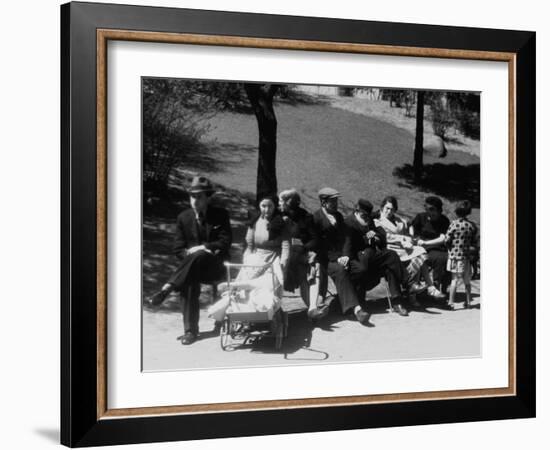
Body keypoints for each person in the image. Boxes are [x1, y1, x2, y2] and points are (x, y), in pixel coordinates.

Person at [147, 176, 232, 345]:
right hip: (192, 268)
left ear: (208, 197)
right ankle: (190, 331)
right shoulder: (183, 218)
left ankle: (168, 287)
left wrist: (202, 248)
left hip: (215, 265)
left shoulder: (221, 215)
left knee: (198, 255)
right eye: (192, 196)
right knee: (189, 280)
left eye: (199, 197)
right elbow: (178, 249)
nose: (195, 201)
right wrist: (192, 255)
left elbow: (225, 242)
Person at [312, 188, 372, 326]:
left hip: (342, 256)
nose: (335, 203)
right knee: (340, 270)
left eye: (336, 200)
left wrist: (345, 255)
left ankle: (341, 301)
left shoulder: (339, 216)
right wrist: (336, 258)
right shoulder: (316, 218)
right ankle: (357, 310)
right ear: (323, 202)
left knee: (361, 269)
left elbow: (346, 238)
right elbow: (318, 244)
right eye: (332, 201)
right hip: (326, 259)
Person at [374, 196, 446, 306]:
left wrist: (409, 239)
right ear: (382, 207)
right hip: (390, 251)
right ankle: (424, 290)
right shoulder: (377, 221)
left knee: (419, 255)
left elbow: (409, 230)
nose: (389, 211)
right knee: (418, 254)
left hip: (403, 249)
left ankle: (421, 291)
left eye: (392, 209)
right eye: (387, 208)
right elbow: (386, 237)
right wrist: (403, 239)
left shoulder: (399, 220)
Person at [343, 199, 409, 316]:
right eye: (364, 215)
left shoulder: (369, 220)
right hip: (358, 256)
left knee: (391, 256)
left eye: (368, 215)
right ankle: (358, 305)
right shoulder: (349, 222)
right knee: (366, 267)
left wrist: (376, 237)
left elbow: (381, 235)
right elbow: (348, 244)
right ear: (357, 211)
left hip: (372, 254)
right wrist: (364, 239)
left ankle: (400, 297)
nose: (366, 218)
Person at [278, 189, 326, 320]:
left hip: (301, 253)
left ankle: (312, 309)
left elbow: (315, 239)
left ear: (289, 203)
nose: (279, 204)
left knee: (313, 267)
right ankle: (312, 308)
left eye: (281, 201)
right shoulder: (277, 216)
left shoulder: (305, 217)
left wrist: (304, 248)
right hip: (282, 255)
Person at [410, 196, 451, 294]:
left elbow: (442, 238)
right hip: (420, 248)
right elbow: (412, 228)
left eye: (432, 210)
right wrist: (414, 238)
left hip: (436, 247)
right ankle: (416, 286)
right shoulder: (420, 217)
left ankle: (436, 286)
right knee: (419, 256)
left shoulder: (444, 220)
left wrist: (426, 243)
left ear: (439, 210)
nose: (430, 213)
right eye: (427, 209)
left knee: (443, 259)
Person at [445, 200, 478, 309]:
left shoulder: (454, 224)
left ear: (456, 211)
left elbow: (447, 239)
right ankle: (468, 302)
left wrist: (449, 246)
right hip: (466, 257)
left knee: (454, 280)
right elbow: (475, 241)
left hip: (455, 256)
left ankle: (451, 302)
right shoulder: (471, 225)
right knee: (467, 281)